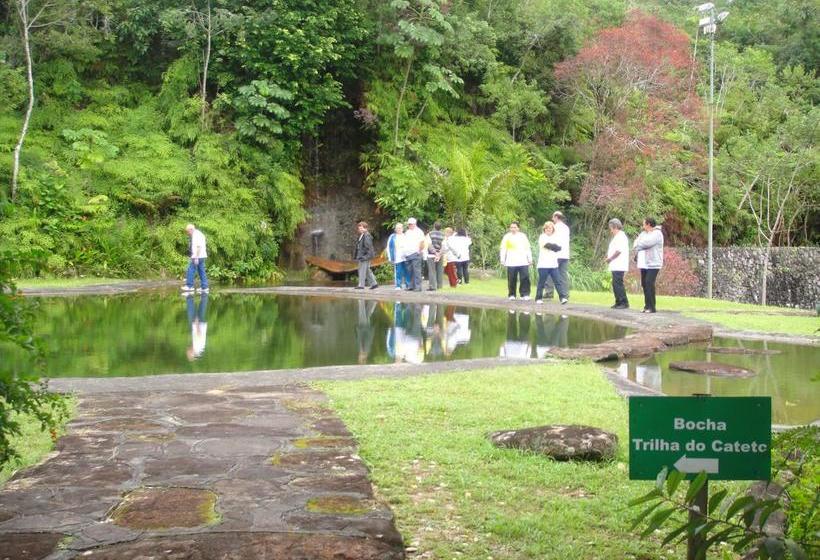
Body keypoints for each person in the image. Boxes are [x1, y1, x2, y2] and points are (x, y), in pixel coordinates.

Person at [632, 217, 664, 313]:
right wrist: (638, 244)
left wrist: (639, 245)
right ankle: (647, 306)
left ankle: (652, 307)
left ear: (649, 224)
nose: (643, 226)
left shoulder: (657, 234)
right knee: (644, 283)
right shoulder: (643, 233)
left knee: (649, 283)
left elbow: (647, 243)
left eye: (644, 223)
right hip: (644, 263)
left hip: (654, 263)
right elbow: (635, 242)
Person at [535, 221, 568, 304]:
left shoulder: (555, 237)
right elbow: (548, 245)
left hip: (553, 264)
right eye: (547, 228)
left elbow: (559, 248)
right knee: (541, 282)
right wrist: (554, 246)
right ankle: (538, 298)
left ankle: (563, 297)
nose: (548, 229)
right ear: (544, 229)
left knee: (558, 281)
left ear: (553, 229)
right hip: (543, 264)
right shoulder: (542, 237)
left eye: (550, 228)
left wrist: (554, 247)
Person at [499, 221, 533, 300]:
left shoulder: (523, 236)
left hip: (523, 261)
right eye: (511, 227)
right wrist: (502, 259)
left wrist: (530, 259)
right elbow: (503, 249)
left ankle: (524, 294)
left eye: (515, 227)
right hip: (511, 261)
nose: (513, 229)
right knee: (512, 279)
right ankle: (512, 294)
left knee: (525, 278)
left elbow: (527, 248)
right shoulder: (507, 237)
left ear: (518, 228)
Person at [543, 211, 571, 301]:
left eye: (553, 217)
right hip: (565, 254)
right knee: (563, 275)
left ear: (556, 217)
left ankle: (549, 293)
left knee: (549, 273)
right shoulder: (566, 228)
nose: (552, 219)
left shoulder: (554, 227)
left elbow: (550, 239)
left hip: (556, 254)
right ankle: (565, 295)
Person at [605, 218, 630, 309]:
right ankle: (618, 301)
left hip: (619, 263)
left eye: (611, 228)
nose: (610, 230)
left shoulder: (621, 236)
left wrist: (610, 259)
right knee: (615, 283)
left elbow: (618, 251)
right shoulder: (617, 236)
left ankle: (623, 302)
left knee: (618, 283)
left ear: (615, 227)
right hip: (615, 264)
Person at [182, 223, 209, 293]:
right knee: (201, 271)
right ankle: (204, 287)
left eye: (188, 231)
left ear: (191, 229)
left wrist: (196, 257)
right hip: (202, 255)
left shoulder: (196, 235)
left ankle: (189, 286)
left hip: (198, 256)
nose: (187, 233)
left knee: (191, 269)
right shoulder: (199, 234)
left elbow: (199, 247)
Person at [353, 221, 378, 290]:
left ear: (366, 228)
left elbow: (368, 248)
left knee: (362, 270)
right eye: (359, 228)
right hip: (363, 256)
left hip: (365, 256)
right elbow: (359, 247)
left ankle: (361, 285)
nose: (360, 229)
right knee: (367, 270)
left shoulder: (366, 236)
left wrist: (365, 257)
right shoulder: (362, 235)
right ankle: (374, 283)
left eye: (362, 228)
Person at [403, 218, 426, 291]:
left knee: (416, 271)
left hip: (416, 253)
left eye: (411, 224)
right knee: (409, 271)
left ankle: (418, 287)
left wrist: (419, 251)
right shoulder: (407, 232)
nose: (410, 225)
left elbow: (422, 242)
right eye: (409, 224)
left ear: (415, 224)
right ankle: (411, 286)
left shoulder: (419, 232)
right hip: (408, 254)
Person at [185, 292, 209, 361]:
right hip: (198, 325)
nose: (188, 348)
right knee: (191, 309)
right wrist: (197, 323)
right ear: (191, 353)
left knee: (202, 308)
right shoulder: (197, 347)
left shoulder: (199, 349)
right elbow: (199, 334)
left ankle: (204, 295)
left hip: (200, 324)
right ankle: (189, 295)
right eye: (188, 351)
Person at [387, 223, 409, 290]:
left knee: (407, 271)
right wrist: (390, 257)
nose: (398, 229)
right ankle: (398, 285)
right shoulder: (392, 236)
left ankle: (408, 285)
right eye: (397, 228)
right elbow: (388, 247)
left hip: (406, 257)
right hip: (397, 257)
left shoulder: (406, 235)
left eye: (400, 228)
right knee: (398, 271)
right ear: (395, 229)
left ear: (402, 229)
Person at [426, 222, 445, 291]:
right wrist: (439, 254)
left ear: (434, 226)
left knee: (432, 271)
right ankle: (440, 286)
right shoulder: (443, 235)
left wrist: (435, 253)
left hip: (431, 255)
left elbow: (429, 245)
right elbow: (443, 246)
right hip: (440, 255)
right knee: (440, 271)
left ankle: (432, 286)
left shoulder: (430, 234)